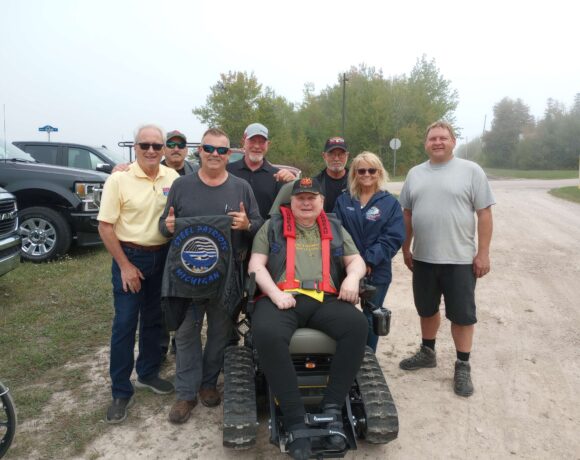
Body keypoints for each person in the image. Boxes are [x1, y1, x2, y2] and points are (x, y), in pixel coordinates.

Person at [249, 177, 368, 460]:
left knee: (357, 326)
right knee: (265, 332)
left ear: (321, 202)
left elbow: (356, 260)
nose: (305, 202)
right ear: (291, 201)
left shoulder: (335, 227)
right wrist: (276, 294)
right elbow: (256, 264)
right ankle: (294, 419)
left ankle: (332, 409)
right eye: (299, 197)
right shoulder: (272, 226)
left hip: (324, 299)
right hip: (281, 299)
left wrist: (352, 277)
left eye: (311, 197)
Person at [159, 127, 262, 424]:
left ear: (229, 154)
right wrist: (166, 227)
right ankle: (186, 393)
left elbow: (259, 223)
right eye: (209, 148)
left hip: (227, 276)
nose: (214, 154)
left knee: (220, 333)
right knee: (187, 333)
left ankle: (208, 384)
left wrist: (246, 225)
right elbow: (163, 225)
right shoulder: (181, 186)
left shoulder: (241, 187)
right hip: (187, 276)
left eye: (221, 150)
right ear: (199, 151)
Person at [398, 121, 495, 397]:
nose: (437, 142)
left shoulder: (471, 171)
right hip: (424, 259)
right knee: (426, 309)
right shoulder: (415, 174)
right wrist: (406, 249)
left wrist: (483, 252)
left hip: (460, 260)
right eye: (432, 139)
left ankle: (462, 365)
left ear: (453, 141)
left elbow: (484, 214)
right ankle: (427, 352)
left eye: (443, 138)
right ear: (425, 144)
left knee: (462, 315)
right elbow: (406, 214)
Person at [97, 124, 179, 424]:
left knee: (155, 321)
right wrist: (124, 266)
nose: (151, 150)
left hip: (163, 257)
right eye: (145, 145)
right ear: (135, 147)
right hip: (130, 257)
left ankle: (146, 373)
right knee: (125, 323)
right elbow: (105, 227)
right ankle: (121, 390)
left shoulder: (173, 177)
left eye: (157, 146)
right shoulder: (119, 179)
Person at [333, 152, 405, 352]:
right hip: (345, 271)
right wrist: (350, 264)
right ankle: (345, 357)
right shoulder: (343, 200)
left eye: (371, 170)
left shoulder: (389, 203)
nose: (366, 174)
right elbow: (336, 233)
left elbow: (393, 237)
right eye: (361, 170)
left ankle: (367, 359)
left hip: (377, 271)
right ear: (354, 173)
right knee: (343, 317)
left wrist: (368, 262)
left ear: (379, 172)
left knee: (371, 316)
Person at [226, 122, 295, 219]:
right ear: (243, 142)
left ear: (268, 145)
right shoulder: (228, 170)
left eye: (262, 142)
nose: (257, 146)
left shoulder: (278, 177)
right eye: (252, 140)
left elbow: (291, 208)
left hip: (265, 233)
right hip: (230, 233)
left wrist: (293, 184)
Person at [269, 135, 349, 216]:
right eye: (331, 154)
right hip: (322, 227)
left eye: (341, 154)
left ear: (347, 156)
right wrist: (293, 182)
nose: (336, 158)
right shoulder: (314, 184)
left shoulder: (357, 182)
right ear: (324, 156)